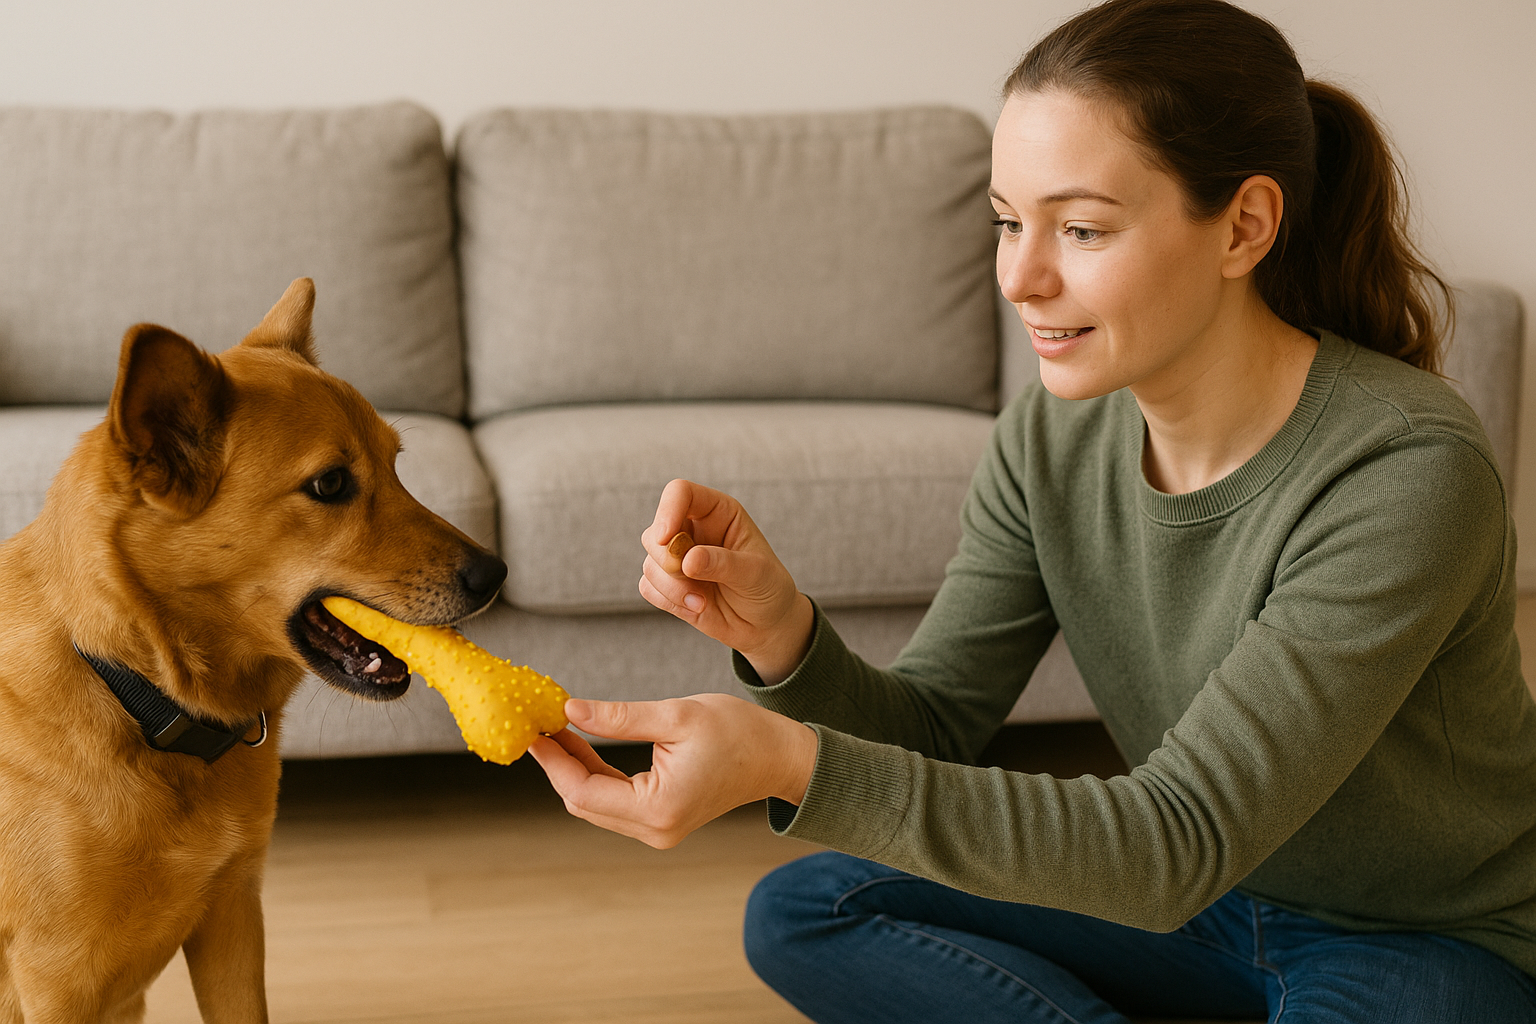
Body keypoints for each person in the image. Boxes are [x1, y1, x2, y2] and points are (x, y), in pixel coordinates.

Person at [528, 0, 1536, 1018]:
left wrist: (787, 758)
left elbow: (1172, 838)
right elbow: (931, 732)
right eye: (1009, 220)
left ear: (1244, 226)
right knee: (813, 906)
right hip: (1204, 905)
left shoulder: (1404, 471)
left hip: (1425, 937)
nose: (1021, 275)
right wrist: (785, 637)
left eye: (1082, 227)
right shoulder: (1050, 441)